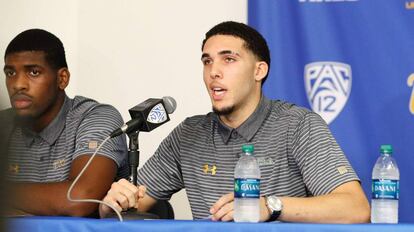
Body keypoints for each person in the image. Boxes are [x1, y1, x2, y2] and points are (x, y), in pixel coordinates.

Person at [99, 21, 370, 223]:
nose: (214, 72)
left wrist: (270, 206)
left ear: (259, 70)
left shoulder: (297, 125)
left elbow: (356, 209)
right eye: (207, 62)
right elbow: (133, 206)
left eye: (228, 59)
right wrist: (113, 203)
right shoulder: (189, 135)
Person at [1, 29, 129, 217]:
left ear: (62, 78)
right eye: (10, 72)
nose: (18, 84)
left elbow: (79, 199)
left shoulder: (96, 117)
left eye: (34, 72)